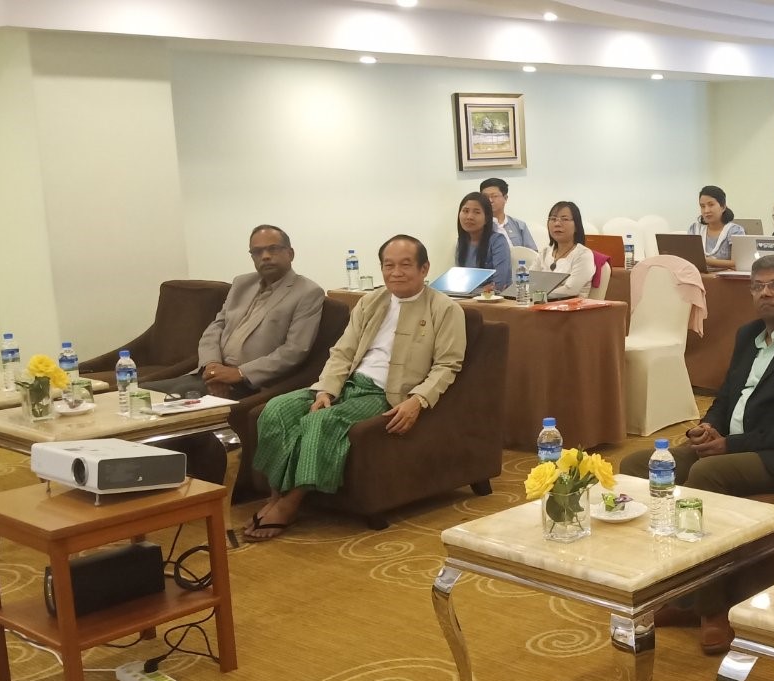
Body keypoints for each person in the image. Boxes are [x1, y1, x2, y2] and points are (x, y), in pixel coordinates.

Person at [618, 254, 774, 653]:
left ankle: (711, 607)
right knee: (638, 465)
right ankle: (673, 590)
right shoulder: (748, 335)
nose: (765, 293)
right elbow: (726, 397)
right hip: (730, 443)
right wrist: (708, 426)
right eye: (757, 286)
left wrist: (731, 444)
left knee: (707, 475)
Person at [246, 235, 465, 541]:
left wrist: (418, 401)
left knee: (322, 422)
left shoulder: (444, 309)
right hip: (347, 384)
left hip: (384, 393)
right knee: (276, 409)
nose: (396, 273)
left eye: (405, 265)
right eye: (388, 265)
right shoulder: (371, 302)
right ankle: (274, 495)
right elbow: (343, 352)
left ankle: (291, 503)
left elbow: (447, 365)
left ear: (424, 268)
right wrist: (326, 390)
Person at [145, 225, 324, 400]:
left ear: (290, 253)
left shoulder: (307, 292)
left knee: (159, 401)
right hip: (210, 376)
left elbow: (294, 351)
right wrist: (212, 366)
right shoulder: (242, 284)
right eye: (257, 252)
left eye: (273, 249)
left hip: (251, 384)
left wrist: (239, 373)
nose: (265, 256)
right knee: (141, 393)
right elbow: (216, 327)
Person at [531, 201, 596, 299]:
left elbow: (571, 290)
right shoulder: (544, 252)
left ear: (576, 226)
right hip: (539, 304)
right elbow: (529, 281)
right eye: (553, 219)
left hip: (571, 306)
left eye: (564, 219)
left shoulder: (583, 254)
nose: (557, 223)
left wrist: (537, 295)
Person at [455, 192, 511, 292]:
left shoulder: (498, 241)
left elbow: (499, 285)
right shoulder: (461, 242)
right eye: (465, 211)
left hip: (495, 299)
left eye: (477, 212)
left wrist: (471, 291)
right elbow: (460, 282)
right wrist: (478, 290)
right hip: (466, 297)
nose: (469, 217)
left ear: (487, 218)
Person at [688, 185, 745, 270]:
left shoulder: (735, 231)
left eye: (711, 205)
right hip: (697, 275)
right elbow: (688, 260)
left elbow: (739, 263)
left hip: (725, 277)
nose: (706, 210)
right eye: (702, 206)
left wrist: (704, 261)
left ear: (723, 207)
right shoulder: (695, 229)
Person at [478, 178, 537, 251]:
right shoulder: (478, 226)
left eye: (494, 196)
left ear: (505, 198)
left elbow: (532, 252)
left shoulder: (519, 225)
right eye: (485, 197)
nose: (490, 200)